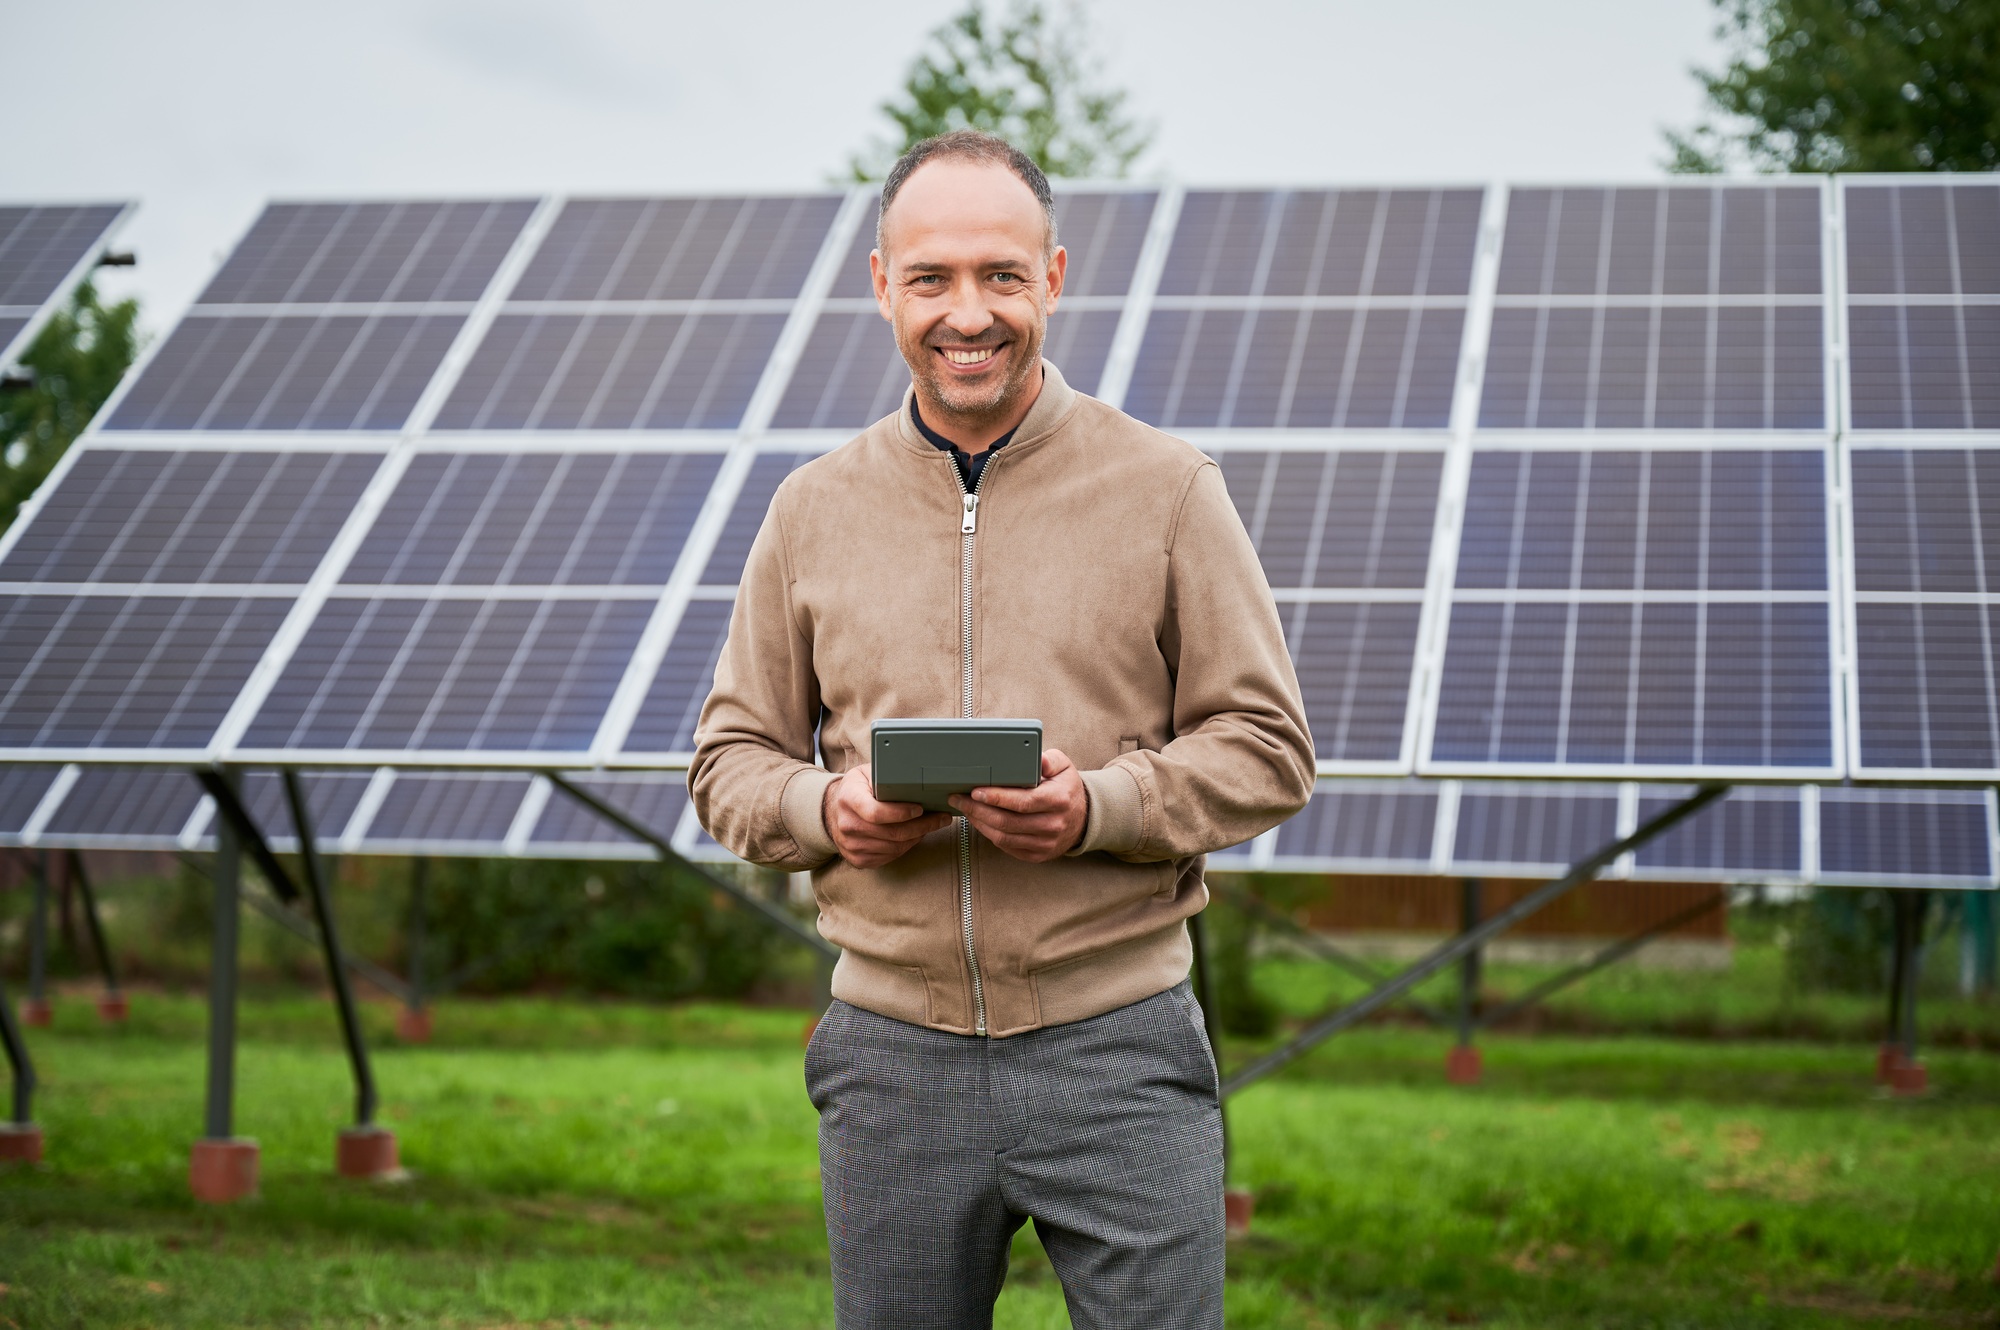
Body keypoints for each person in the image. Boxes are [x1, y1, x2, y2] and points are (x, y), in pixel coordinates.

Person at [691, 129, 1314, 1330]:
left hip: (1119, 1049)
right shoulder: (810, 509)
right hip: (888, 1061)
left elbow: (1266, 744)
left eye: (1001, 275)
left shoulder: (1169, 489)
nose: (966, 313)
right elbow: (727, 763)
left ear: (1054, 279)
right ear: (882, 284)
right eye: (930, 277)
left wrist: (1097, 808)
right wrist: (828, 810)